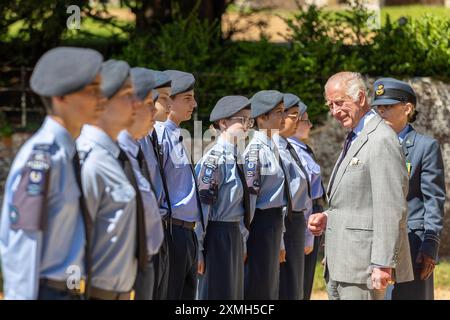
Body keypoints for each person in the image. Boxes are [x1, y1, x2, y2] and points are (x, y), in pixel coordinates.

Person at [0, 47, 103, 300]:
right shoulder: (42, 159)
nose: (101, 98)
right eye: (91, 90)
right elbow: (22, 244)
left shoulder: (68, 151)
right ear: (61, 98)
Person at [308, 71, 414, 300]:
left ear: (361, 98)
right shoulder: (357, 135)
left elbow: (391, 206)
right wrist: (328, 217)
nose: (335, 111)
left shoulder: (381, 138)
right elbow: (357, 200)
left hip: (363, 268)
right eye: (330, 105)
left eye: (339, 103)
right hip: (341, 265)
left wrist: (382, 263)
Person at [77, 59, 144, 300]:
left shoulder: (114, 157)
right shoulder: (90, 162)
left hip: (122, 291)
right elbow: (73, 243)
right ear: (102, 103)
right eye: (127, 95)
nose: (136, 103)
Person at [374, 77, 446, 300]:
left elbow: (433, 199)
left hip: (411, 242)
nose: (382, 112)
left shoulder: (425, 147)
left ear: (407, 108)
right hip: (374, 242)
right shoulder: (369, 145)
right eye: (379, 107)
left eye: (389, 106)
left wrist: (429, 246)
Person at [195, 96, 252, 300]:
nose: (247, 126)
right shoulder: (213, 161)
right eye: (241, 119)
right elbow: (202, 210)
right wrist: (198, 250)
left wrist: (242, 240)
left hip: (233, 234)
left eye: (249, 120)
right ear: (223, 123)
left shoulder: (238, 158)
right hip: (216, 235)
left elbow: (241, 206)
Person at [154, 70, 203, 299]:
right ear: (167, 101)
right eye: (187, 98)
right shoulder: (159, 134)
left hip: (187, 232)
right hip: (170, 231)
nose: (194, 103)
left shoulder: (175, 133)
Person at [117, 67, 164, 300]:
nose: (155, 111)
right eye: (149, 103)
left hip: (143, 265)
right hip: (121, 276)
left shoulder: (133, 151)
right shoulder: (112, 154)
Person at [243, 90, 290, 300]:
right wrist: (244, 239)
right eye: (278, 112)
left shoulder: (272, 147)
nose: (283, 117)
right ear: (262, 117)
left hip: (272, 223)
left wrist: (279, 240)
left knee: (270, 286)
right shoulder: (255, 151)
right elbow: (250, 201)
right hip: (259, 225)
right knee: (258, 286)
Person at [288, 97, 327, 300]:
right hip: (303, 220)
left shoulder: (303, 149)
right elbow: (301, 198)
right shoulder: (290, 151)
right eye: (306, 120)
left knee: (304, 283)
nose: (310, 125)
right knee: (297, 284)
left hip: (311, 218)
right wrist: (308, 234)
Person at [138, 71, 173, 300]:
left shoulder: (151, 137)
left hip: (158, 228)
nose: (168, 105)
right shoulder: (137, 139)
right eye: (162, 98)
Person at [276, 93, 311, 300]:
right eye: (294, 116)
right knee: (285, 287)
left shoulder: (288, 147)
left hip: (295, 224)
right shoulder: (274, 149)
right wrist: (280, 240)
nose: (299, 121)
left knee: (294, 288)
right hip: (285, 225)